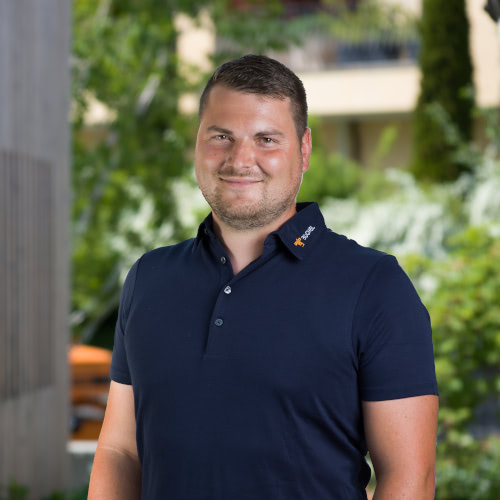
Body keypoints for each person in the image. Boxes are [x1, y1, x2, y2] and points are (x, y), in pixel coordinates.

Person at [88, 54, 439, 500]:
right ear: (197, 142)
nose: (241, 159)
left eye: (266, 139)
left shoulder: (375, 286)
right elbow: (121, 451)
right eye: (221, 136)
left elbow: (409, 477)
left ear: (304, 150)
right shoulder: (148, 279)